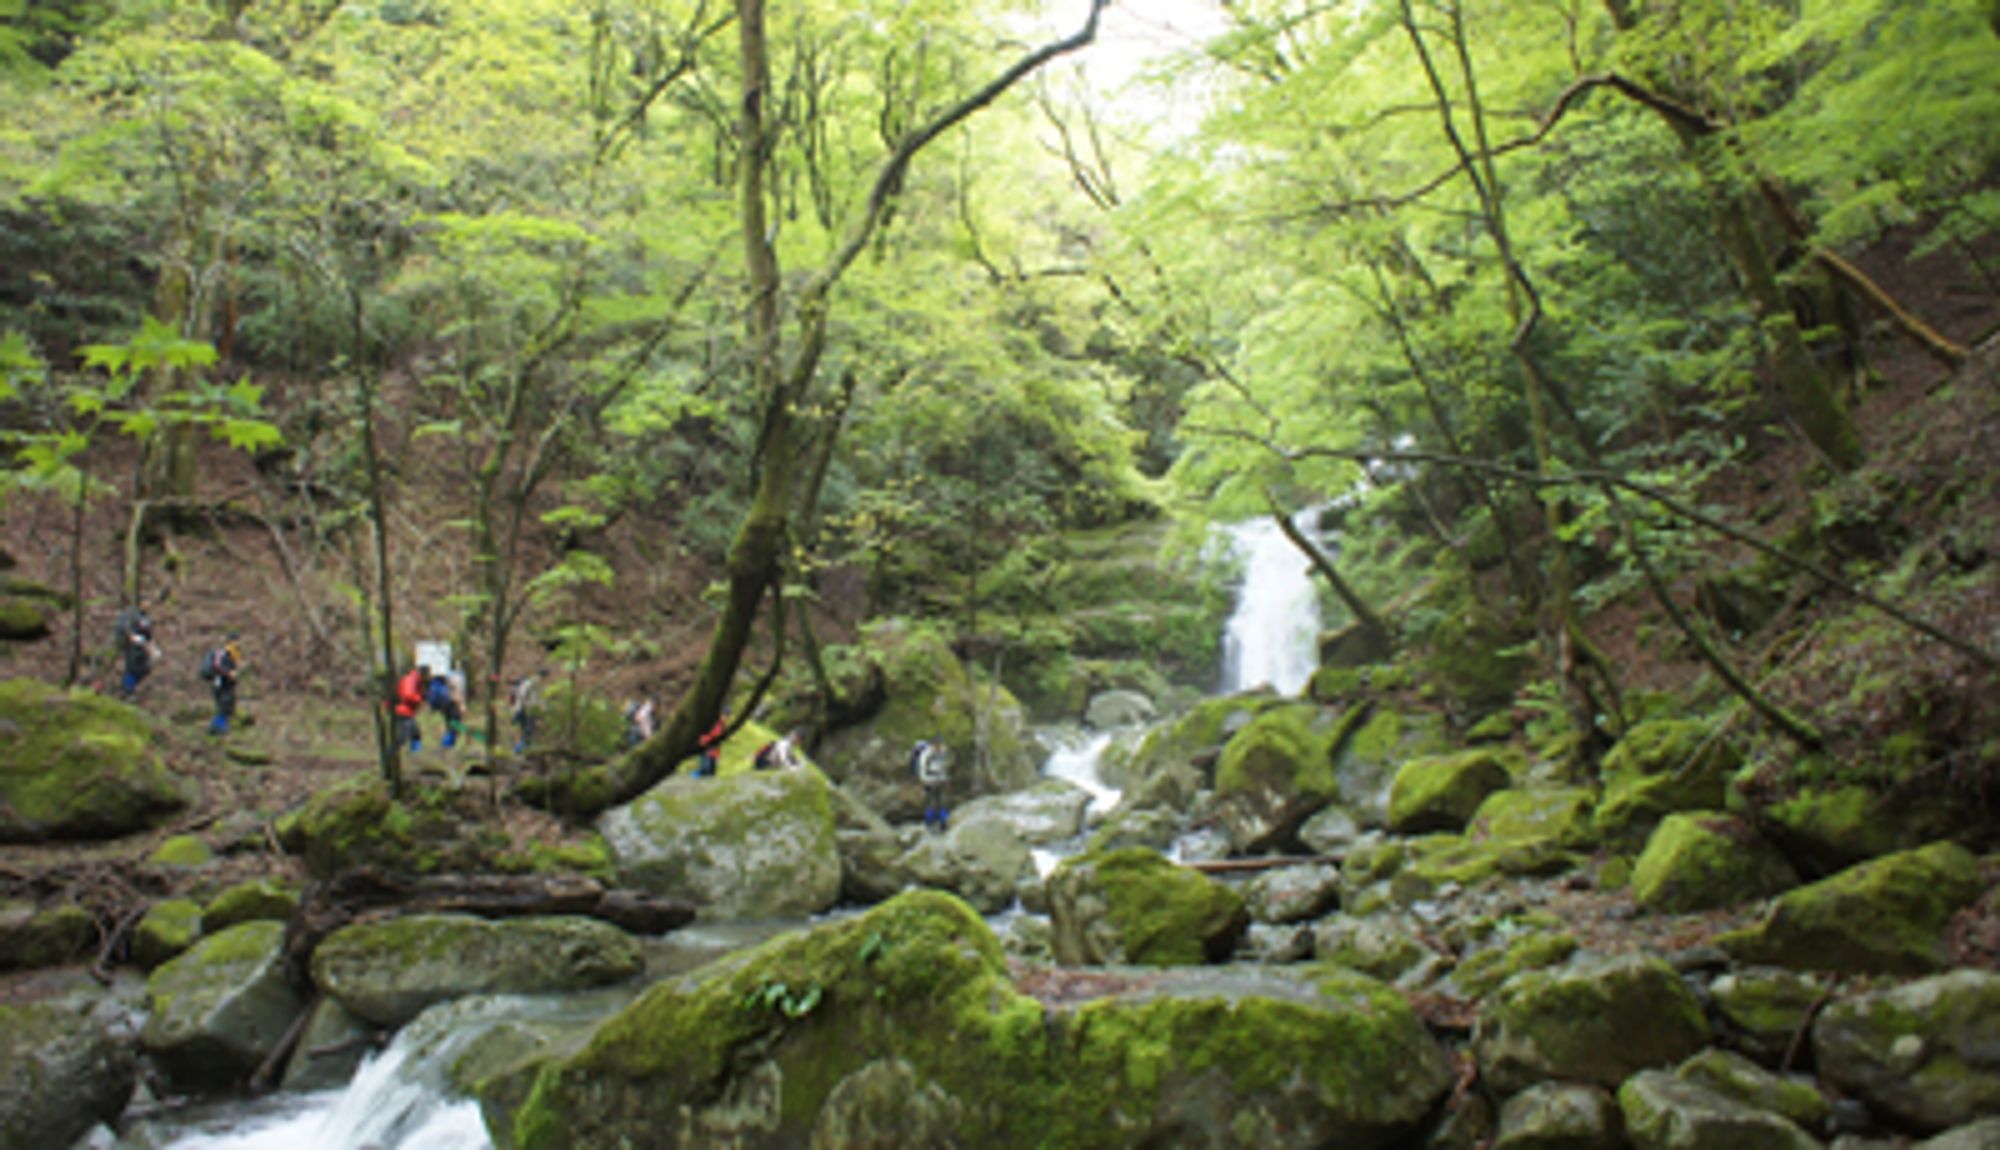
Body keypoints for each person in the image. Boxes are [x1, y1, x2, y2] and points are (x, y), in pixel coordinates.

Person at [115, 597, 159, 700]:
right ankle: (127, 691)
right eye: (146, 602)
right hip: (131, 646)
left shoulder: (146, 618)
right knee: (132, 667)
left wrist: (153, 648)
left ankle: (131, 687)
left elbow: (149, 635)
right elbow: (125, 628)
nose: (148, 605)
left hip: (142, 647)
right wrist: (132, 638)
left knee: (145, 668)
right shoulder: (131, 614)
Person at [205, 633, 243, 736]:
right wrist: (229, 673)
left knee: (228, 706)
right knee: (223, 706)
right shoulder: (222, 652)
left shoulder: (235, 654)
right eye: (236, 641)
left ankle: (218, 727)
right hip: (220, 683)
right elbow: (218, 666)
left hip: (228, 684)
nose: (239, 643)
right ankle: (216, 727)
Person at [912, 736, 948, 832]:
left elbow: (942, 767)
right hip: (929, 781)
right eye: (937, 745)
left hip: (939, 780)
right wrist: (925, 781)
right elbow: (922, 770)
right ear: (933, 745)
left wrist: (944, 779)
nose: (938, 747)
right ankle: (930, 823)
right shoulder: (925, 755)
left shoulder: (942, 752)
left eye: (939, 745)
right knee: (931, 802)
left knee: (942, 802)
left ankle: (943, 822)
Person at [394, 663, 430, 753]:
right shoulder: (411, 679)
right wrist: (420, 698)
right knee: (403, 737)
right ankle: (391, 752)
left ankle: (416, 753)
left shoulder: (415, 679)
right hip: (403, 711)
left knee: (416, 735)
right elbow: (407, 695)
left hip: (409, 712)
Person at [427, 668, 465, 749]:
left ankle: (448, 745)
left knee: (450, 725)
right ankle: (445, 745)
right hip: (453, 704)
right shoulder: (457, 676)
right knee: (454, 727)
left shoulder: (441, 677)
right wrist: (461, 705)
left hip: (445, 705)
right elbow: (457, 692)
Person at [510, 670, 542, 754]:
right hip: (525, 711)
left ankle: (525, 749)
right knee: (527, 732)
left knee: (525, 731)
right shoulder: (525, 687)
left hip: (520, 711)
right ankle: (518, 750)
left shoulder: (517, 687)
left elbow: (513, 700)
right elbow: (526, 699)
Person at [695, 706, 730, 777]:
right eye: (724, 715)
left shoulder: (722, 725)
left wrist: (718, 755)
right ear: (720, 714)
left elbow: (719, 741)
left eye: (727, 716)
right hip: (706, 748)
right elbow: (706, 735)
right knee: (705, 771)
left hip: (714, 751)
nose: (725, 718)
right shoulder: (713, 722)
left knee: (711, 773)